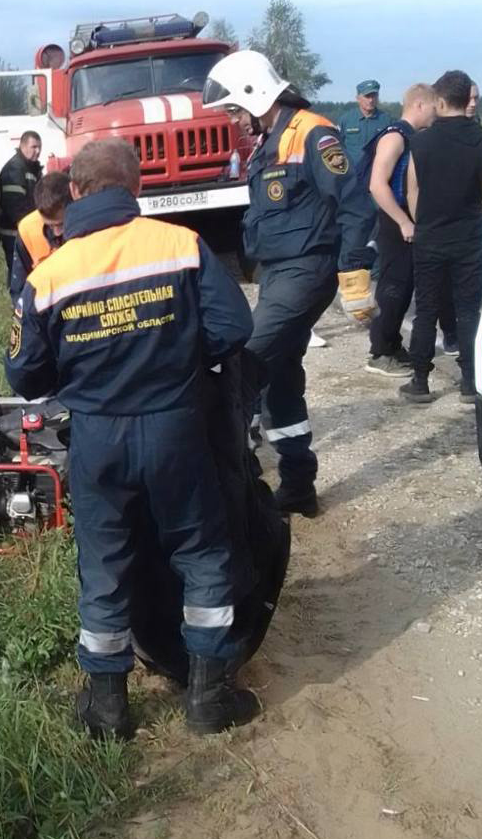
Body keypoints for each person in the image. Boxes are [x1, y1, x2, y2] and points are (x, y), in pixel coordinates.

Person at [6, 138, 258, 740]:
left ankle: (107, 707)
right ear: (136, 187)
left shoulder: (50, 274)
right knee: (201, 552)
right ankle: (207, 696)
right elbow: (234, 327)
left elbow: (25, 374)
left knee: (104, 564)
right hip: (176, 426)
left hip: (96, 438)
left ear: (76, 192)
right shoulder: (181, 245)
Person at [203, 51, 376, 519]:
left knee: (246, 363)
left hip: (307, 270)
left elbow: (356, 203)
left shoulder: (311, 133)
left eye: (236, 110)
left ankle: (229, 483)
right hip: (279, 271)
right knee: (280, 379)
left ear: (256, 95)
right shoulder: (270, 139)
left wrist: (354, 269)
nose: (235, 121)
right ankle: (298, 484)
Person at [401, 70, 482, 404]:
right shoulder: (479, 138)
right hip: (471, 237)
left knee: (427, 309)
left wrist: (424, 222)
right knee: (470, 310)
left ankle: (420, 380)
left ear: (442, 100)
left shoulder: (420, 141)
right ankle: (469, 380)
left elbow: (413, 190)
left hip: (431, 237)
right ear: (466, 101)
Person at [363, 84, 437, 376]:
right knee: (394, 287)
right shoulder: (395, 136)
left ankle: (392, 344)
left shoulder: (411, 137)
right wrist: (404, 221)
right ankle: (380, 352)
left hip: (407, 222)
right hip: (395, 224)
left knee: (405, 287)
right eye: (433, 107)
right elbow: (377, 185)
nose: (435, 114)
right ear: (419, 105)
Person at [9, 170, 72, 303]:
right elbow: (19, 289)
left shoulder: (89, 226)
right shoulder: (28, 229)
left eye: (61, 224)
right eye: (50, 225)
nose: (57, 233)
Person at [0, 130, 43, 285]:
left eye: (39, 147)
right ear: (23, 146)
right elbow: (14, 206)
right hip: (14, 232)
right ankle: (16, 305)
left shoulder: (30, 168)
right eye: (34, 147)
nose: (37, 151)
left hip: (24, 231)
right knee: (18, 273)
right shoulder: (14, 169)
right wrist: (31, 228)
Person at [337, 79, 389, 163]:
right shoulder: (346, 120)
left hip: (376, 172)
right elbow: (337, 147)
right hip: (353, 172)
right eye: (367, 96)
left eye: (374, 96)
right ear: (358, 98)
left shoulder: (387, 120)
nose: (371, 100)